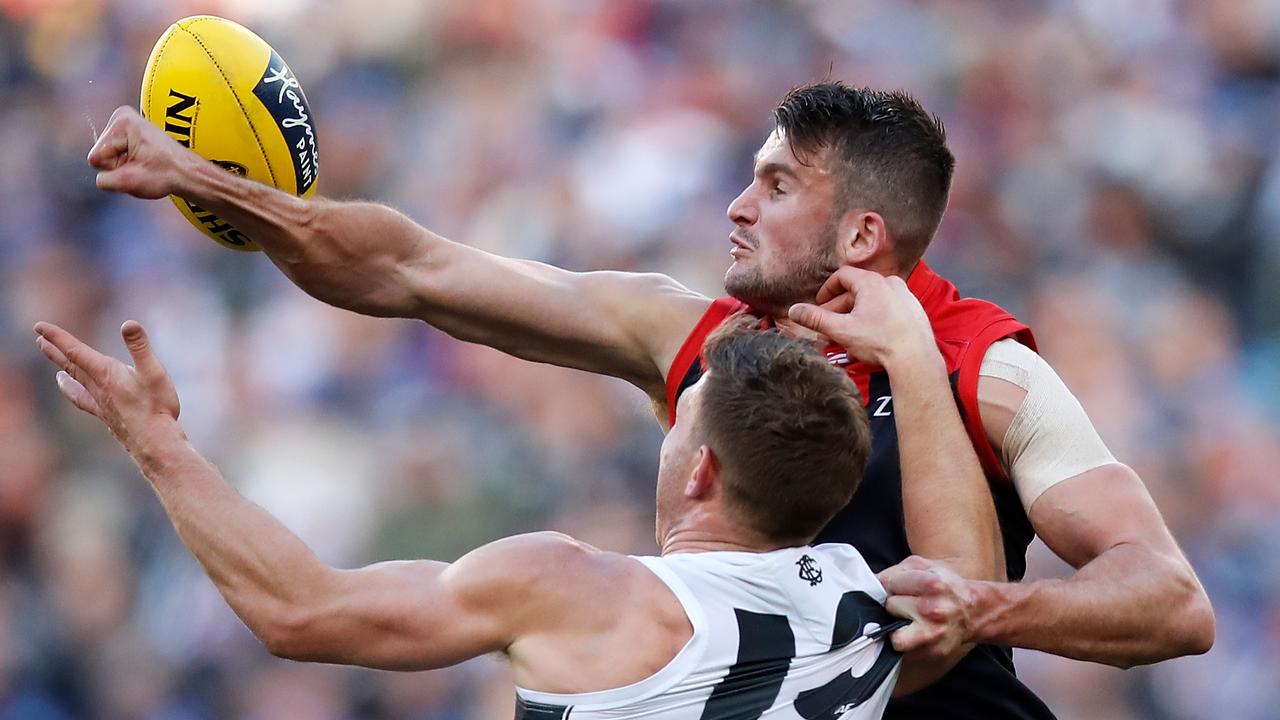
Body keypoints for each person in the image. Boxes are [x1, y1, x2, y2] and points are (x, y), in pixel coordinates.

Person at [86, 80, 1214, 718]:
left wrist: (986, 613)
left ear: (862, 234)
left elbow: (1168, 604)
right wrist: (206, 181)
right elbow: (411, 270)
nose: (734, 205)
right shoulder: (693, 338)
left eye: (773, 185)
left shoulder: (989, 370)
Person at [33, 263, 998, 719]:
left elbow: (300, 611)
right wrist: (914, 355)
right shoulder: (875, 612)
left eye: (682, 421)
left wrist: (155, 442)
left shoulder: (579, 591)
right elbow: (969, 570)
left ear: (699, 469)